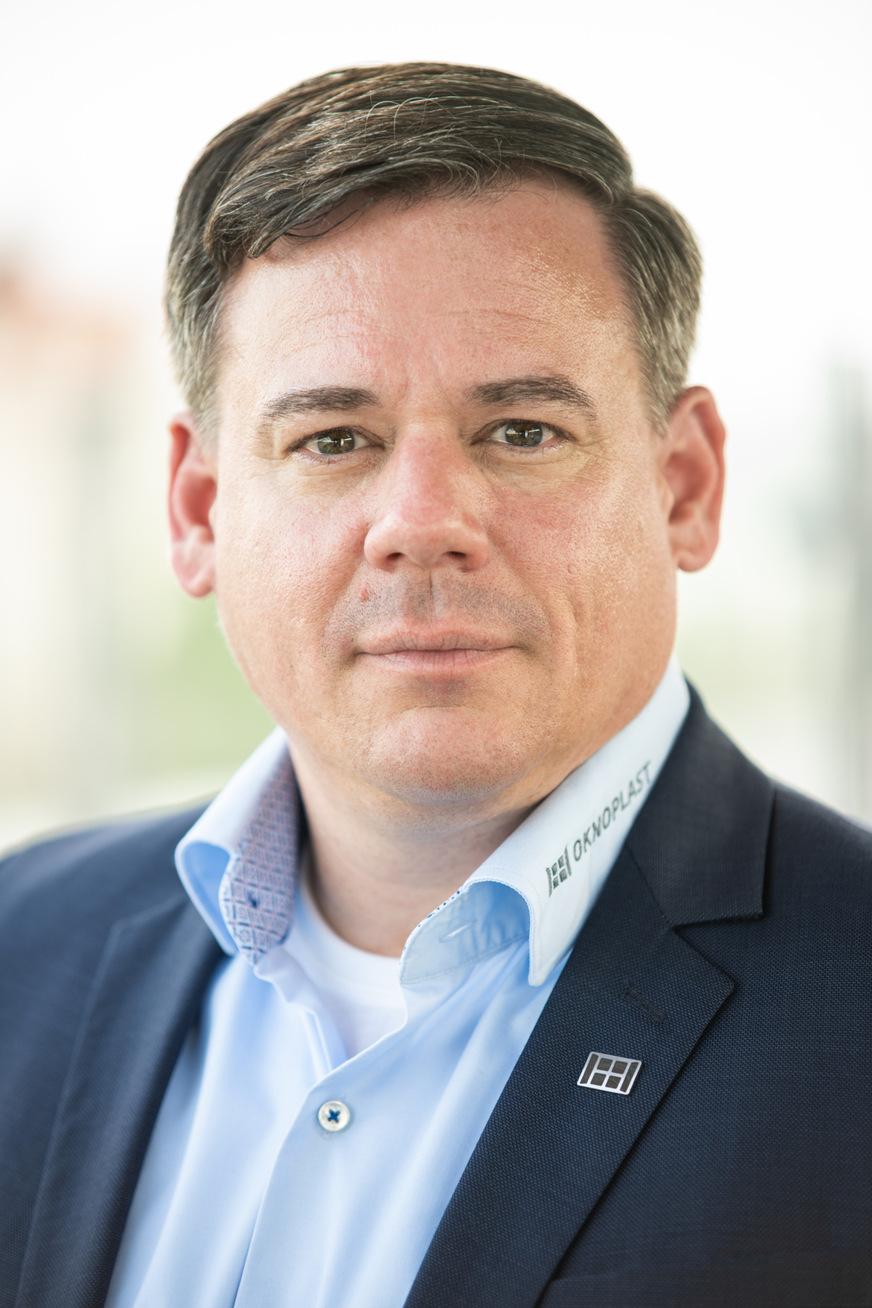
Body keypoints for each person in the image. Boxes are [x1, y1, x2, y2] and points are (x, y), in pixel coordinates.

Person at [1, 62, 870, 1308]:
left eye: (521, 431)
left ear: (683, 486)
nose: (421, 522)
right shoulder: (19, 947)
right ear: (197, 512)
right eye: (331, 439)